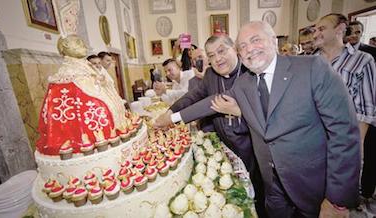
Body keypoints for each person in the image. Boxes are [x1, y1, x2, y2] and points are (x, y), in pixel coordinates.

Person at [156, 21, 361, 217]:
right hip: (271, 189)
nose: (249, 49)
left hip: (311, 186)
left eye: (255, 40)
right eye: (243, 45)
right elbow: (210, 102)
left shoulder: (312, 68)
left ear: (274, 40)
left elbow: (344, 133)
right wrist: (171, 118)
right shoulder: (245, 83)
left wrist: (337, 200)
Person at [155, 34, 267, 218]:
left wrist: (174, 118)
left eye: (221, 51)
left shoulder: (248, 73)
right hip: (222, 144)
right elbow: (195, 95)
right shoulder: (210, 75)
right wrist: (171, 110)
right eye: (211, 55)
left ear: (235, 50)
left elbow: (213, 102)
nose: (217, 59)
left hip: (249, 147)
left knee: (254, 194)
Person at [36, 35, 127, 155]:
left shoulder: (87, 68)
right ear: (66, 47)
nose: (83, 44)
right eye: (77, 42)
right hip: (91, 142)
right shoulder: (66, 76)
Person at [313, 13, 376, 147]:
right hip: (312, 140)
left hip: (344, 140)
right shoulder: (310, 62)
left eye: (321, 29)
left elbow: (365, 110)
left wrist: (357, 147)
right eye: (315, 30)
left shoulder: (362, 60)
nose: (315, 35)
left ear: (340, 29)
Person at [344, 19, 376, 211]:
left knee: (367, 155)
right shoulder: (341, 54)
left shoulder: (369, 54)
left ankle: (364, 192)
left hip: (368, 113)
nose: (355, 34)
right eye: (352, 30)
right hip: (350, 115)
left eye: (358, 31)